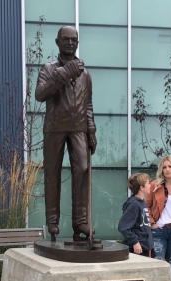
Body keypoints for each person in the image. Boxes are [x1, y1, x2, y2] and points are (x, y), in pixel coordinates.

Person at [35, 26, 97, 241]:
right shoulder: (49, 68)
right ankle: (52, 222)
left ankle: (80, 221)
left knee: (82, 169)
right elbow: (40, 95)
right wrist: (63, 75)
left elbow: (88, 104)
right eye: (66, 39)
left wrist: (91, 130)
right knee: (52, 174)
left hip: (79, 128)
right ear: (57, 42)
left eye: (74, 40)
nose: (70, 43)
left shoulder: (85, 73)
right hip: (54, 128)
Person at [118, 173, 154, 257]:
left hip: (144, 247)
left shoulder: (141, 203)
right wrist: (135, 242)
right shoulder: (134, 205)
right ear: (141, 187)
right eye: (148, 183)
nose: (150, 185)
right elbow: (123, 227)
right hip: (137, 249)